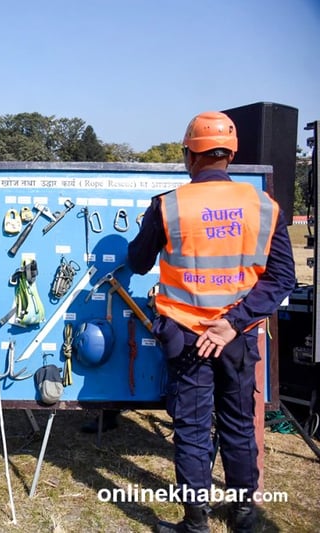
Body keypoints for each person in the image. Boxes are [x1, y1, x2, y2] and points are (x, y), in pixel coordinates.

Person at [127, 112, 295, 533]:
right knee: (239, 423)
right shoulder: (264, 207)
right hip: (235, 339)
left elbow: (138, 260)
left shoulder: (169, 206)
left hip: (185, 336)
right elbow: (282, 278)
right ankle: (243, 515)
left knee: (192, 428)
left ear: (190, 155)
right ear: (230, 154)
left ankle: (196, 522)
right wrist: (233, 321)